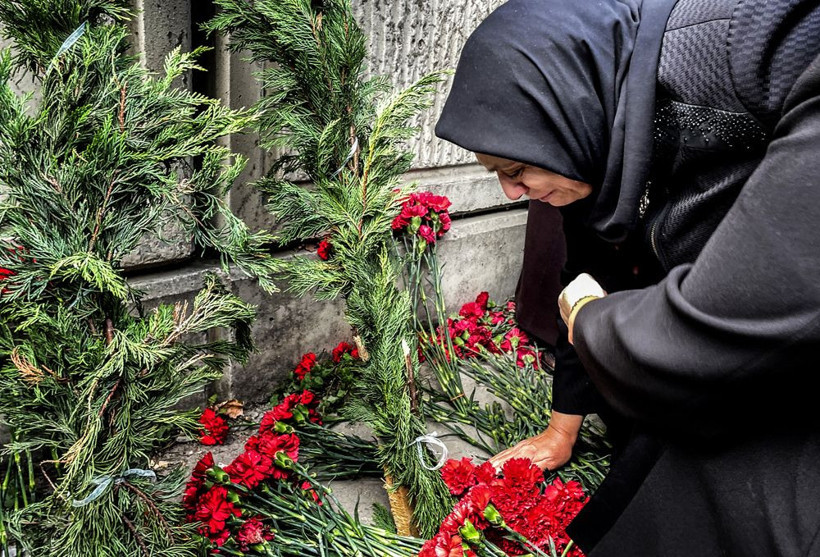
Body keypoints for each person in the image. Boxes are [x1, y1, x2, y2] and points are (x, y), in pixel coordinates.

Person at [435, 0, 820, 555]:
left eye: (515, 170)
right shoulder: (592, 161)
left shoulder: (736, 38)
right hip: (719, 364)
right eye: (498, 175)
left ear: (564, 105)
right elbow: (582, 282)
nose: (510, 194)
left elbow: (630, 319)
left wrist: (600, 324)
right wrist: (562, 431)